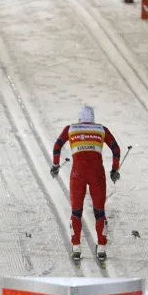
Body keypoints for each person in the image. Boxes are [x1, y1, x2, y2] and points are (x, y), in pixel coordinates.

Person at [51, 105, 121, 259]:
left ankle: (76, 247)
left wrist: (55, 165)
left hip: (78, 174)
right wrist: (114, 170)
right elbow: (116, 149)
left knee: (76, 211)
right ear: (93, 118)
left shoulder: (70, 129)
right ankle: (101, 247)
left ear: (80, 118)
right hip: (97, 173)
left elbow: (57, 147)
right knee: (99, 211)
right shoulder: (102, 130)